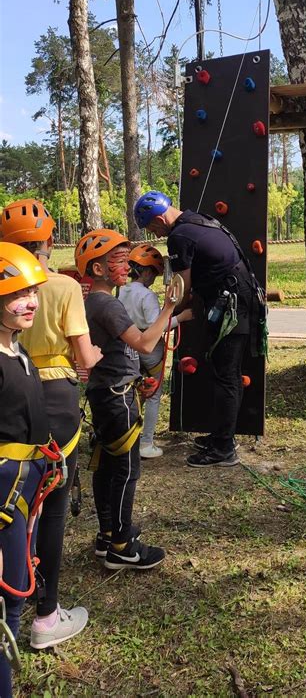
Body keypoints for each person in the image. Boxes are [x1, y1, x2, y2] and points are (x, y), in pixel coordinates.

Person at [0, 199, 99, 650]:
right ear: (50, 241)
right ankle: (45, 613)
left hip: (21, 388)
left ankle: (19, 601)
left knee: (21, 506)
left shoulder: (12, 311)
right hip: (55, 394)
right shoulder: (63, 286)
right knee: (49, 504)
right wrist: (90, 360)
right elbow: (84, 356)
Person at [0, 243, 83, 698]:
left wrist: (43, 456)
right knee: (7, 603)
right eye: (18, 294)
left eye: (33, 291)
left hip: (26, 482)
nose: (31, 301)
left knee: (15, 591)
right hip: (4, 493)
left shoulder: (19, 352)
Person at [75, 229, 177, 570]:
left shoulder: (95, 301)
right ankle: (121, 544)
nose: (127, 268)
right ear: (99, 270)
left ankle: (108, 535)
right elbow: (145, 344)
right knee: (126, 469)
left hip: (110, 392)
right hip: (115, 397)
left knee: (107, 466)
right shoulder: (107, 304)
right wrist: (171, 307)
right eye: (118, 262)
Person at [134, 191, 257, 469]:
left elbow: (182, 287)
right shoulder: (198, 219)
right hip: (238, 298)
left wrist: (167, 315)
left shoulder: (179, 236)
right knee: (226, 372)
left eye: (152, 228)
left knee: (226, 374)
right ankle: (221, 437)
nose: (155, 234)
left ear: (158, 218)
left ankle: (224, 448)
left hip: (231, 305)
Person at [119, 243, 192, 459]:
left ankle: (127, 437)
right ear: (148, 271)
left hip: (126, 346)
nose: (154, 279)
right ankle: (146, 442)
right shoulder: (146, 296)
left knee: (131, 391)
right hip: (149, 350)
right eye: (154, 273)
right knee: (153, 394)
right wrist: (182, 317)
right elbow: (155, 326)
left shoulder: (120, 290)